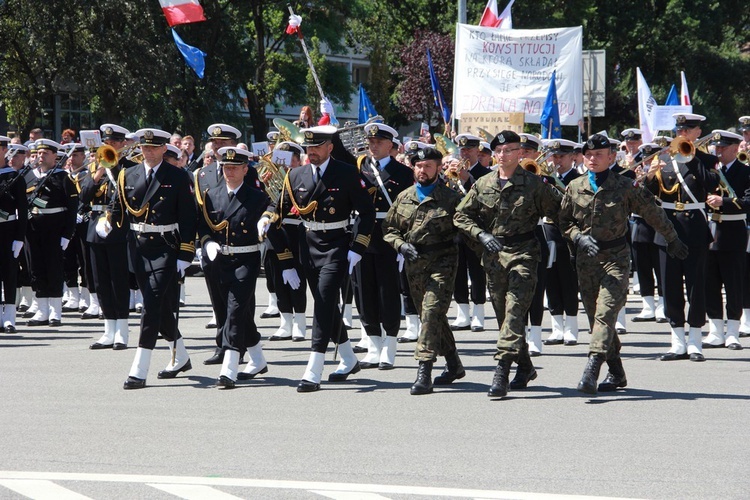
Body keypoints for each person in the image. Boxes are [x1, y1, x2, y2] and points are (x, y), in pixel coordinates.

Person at [558, 133, 688, 394]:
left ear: (611, 157)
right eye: (589, 155)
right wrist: (578, 238)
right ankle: (616, 372)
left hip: (616, 259)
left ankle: (592, 368)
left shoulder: (625, 185)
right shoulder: (575, 186)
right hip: (586, 261)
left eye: (599, 155)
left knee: (606, 314)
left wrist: (672, 238)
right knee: (597, 318)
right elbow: (565, 222)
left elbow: (652, 212)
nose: (593, 159)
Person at [264, 125, 375, 392]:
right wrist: (266, 217)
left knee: (324, 300)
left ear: (329, 148)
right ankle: (348, 359)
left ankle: (314, 368)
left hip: (338, 244)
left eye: (316, 148)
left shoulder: (347, 173)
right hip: (309, 245)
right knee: (325, 304)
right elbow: (277, 205)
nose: (311, 153)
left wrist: (357, 248)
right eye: (308, 148)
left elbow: (367, 213)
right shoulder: (296, 174)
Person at [454, 131, 562, 399]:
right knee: (504, 317)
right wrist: (481, 234)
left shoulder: (535, 184)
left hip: (525, 253)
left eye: (511, 150)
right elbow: (461, 216)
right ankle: (525, 367)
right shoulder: (483, 184)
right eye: (499, 150)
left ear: (520, 153)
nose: (504, 155)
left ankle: (501, 371)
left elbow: (561, 210)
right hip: (494, 256)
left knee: (514, 312)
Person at [104, 128, 197, 389]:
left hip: (166, 247)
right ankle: (182, 357)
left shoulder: (177, 176)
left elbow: (189, 217)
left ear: (164, 149)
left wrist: (186, 253)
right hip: (138, 247)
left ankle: (139, 368)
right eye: (145, 147)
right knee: (160, 307)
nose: (148, 151)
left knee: (151, 305)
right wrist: (107, 221)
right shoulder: (128, 173)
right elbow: (118, 205)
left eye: (154, 148)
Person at [382, 147, 464, 395]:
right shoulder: (404, 197)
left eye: (428, 166)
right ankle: (454, 364)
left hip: (443, 263)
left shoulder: (450, 198)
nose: (422, 170)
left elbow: (466, 226)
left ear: (439, 168)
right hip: (414, 264)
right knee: (434, 316)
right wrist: (401, 245)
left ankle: (424, 369)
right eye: (418, 166)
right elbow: (389, 229)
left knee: (429, 314)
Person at [643, 113, 719, 362]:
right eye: (679, 129)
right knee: (670, 284)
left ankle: (695, 340)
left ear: (698, 131)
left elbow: (710, 185)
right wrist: (651, 175)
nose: (682, 133)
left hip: (694, 228)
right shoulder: (663, 156)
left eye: (688, 129)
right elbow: (649, 193)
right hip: (668, 229)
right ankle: (677, 340)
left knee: (696, 285)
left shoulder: (707, 159)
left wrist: (693, 157)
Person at [198, 146, 271, 388]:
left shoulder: (256, 196)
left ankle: (229, 368)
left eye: (234, 167)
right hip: (219, 261)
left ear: (244, 169)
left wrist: (265, 219)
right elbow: (204, 226)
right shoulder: (212, 194)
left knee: (235, 310)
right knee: (230, 311)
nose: (229, 171)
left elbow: (273, 207)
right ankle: (258, 359)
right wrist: (207, 243)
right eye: (225, 167)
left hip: (245, 260)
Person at [353, 122, 414, 370]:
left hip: (390, 236)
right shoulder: (359, 169)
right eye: (370, 142)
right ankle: (373, 344)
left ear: (391, 145)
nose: (373, 146)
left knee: (387, 292)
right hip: (362, 237)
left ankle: (389, 345)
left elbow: (410, 210)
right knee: (363, 293)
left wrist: (405, 241)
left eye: (378, 142)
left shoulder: (403, 173)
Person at [702, 130, 750, 350]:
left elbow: (748, 202)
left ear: (734, 148)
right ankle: (715, 330)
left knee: (733, 283)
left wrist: (725, 202)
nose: (717, 151)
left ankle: (732, 331)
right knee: (710, 283)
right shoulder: (709, 171)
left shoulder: (745, 171)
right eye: (716, 147)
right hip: (710, 230)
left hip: (733, 231)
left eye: (722, 148)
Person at [25, 139, 78, 326]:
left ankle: (55, 310)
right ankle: (41, 309)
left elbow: (72, 209)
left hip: (55, 229)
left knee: (54, 269)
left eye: (46, 153)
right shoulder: (28, 176)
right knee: (36, 269)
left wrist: (67, 234)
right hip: (33, 229)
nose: (41, 156)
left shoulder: (63, 177)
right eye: (39, 153)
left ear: (55, 156)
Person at [263, 141, 308, 342]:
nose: (285, 164)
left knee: (297, 279)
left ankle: (299, 322)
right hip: (276, 232)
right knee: (278, 278)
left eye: (290, 160)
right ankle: (284, 322)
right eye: (282, 160)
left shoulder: (306, 178)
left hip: (297, 232)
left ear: (298, 160)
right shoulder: (274, 178)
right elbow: (270, 203)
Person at [542, 139, 581, 347]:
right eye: (554, 156)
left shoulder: (579, 179)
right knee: (551, 280)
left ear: (572, 157)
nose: (557, 160)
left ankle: (572, 328)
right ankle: (556, 328)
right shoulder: (546, 179)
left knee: (568, 280)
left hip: (568, 233)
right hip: (549, 231)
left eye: (561, 156)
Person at [449, 133, 490, 333]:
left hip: (477, 228)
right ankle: (462, 313)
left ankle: (479, 313)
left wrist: (467, 179)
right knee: (457, 271)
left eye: (469, 149)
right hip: (457, 229)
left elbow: (483, 199)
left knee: (477, 271)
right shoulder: (453, 171)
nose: (465, 152)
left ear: (477, 151)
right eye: (462, 149)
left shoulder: (486, 173)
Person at [0, 139, 28, 333]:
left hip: (8, 229)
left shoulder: (14, 176)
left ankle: (9, 318)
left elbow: (23, 210)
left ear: (4, 150)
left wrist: (20, 237)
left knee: (9, 273)